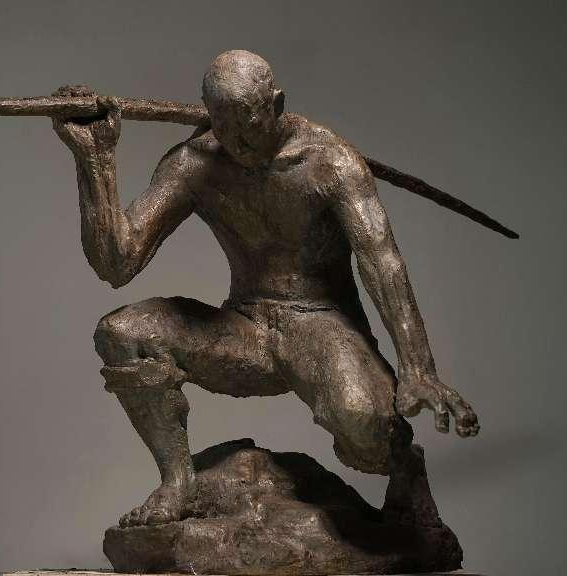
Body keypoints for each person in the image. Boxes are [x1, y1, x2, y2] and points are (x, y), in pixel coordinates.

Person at [52, 49, 479, 528]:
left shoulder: (329, 162)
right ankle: (178, 483)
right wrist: (95, 160)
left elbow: (382, 261)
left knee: (370, 430)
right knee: (123, 333)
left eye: (250, 124)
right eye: (225, 126)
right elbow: (117, 263)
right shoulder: (194, 163)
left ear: (276, 104)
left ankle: (406, 474)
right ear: (208, 114)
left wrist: (417, 368)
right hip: (244, 327)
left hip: (322, 326)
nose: (239, 141)